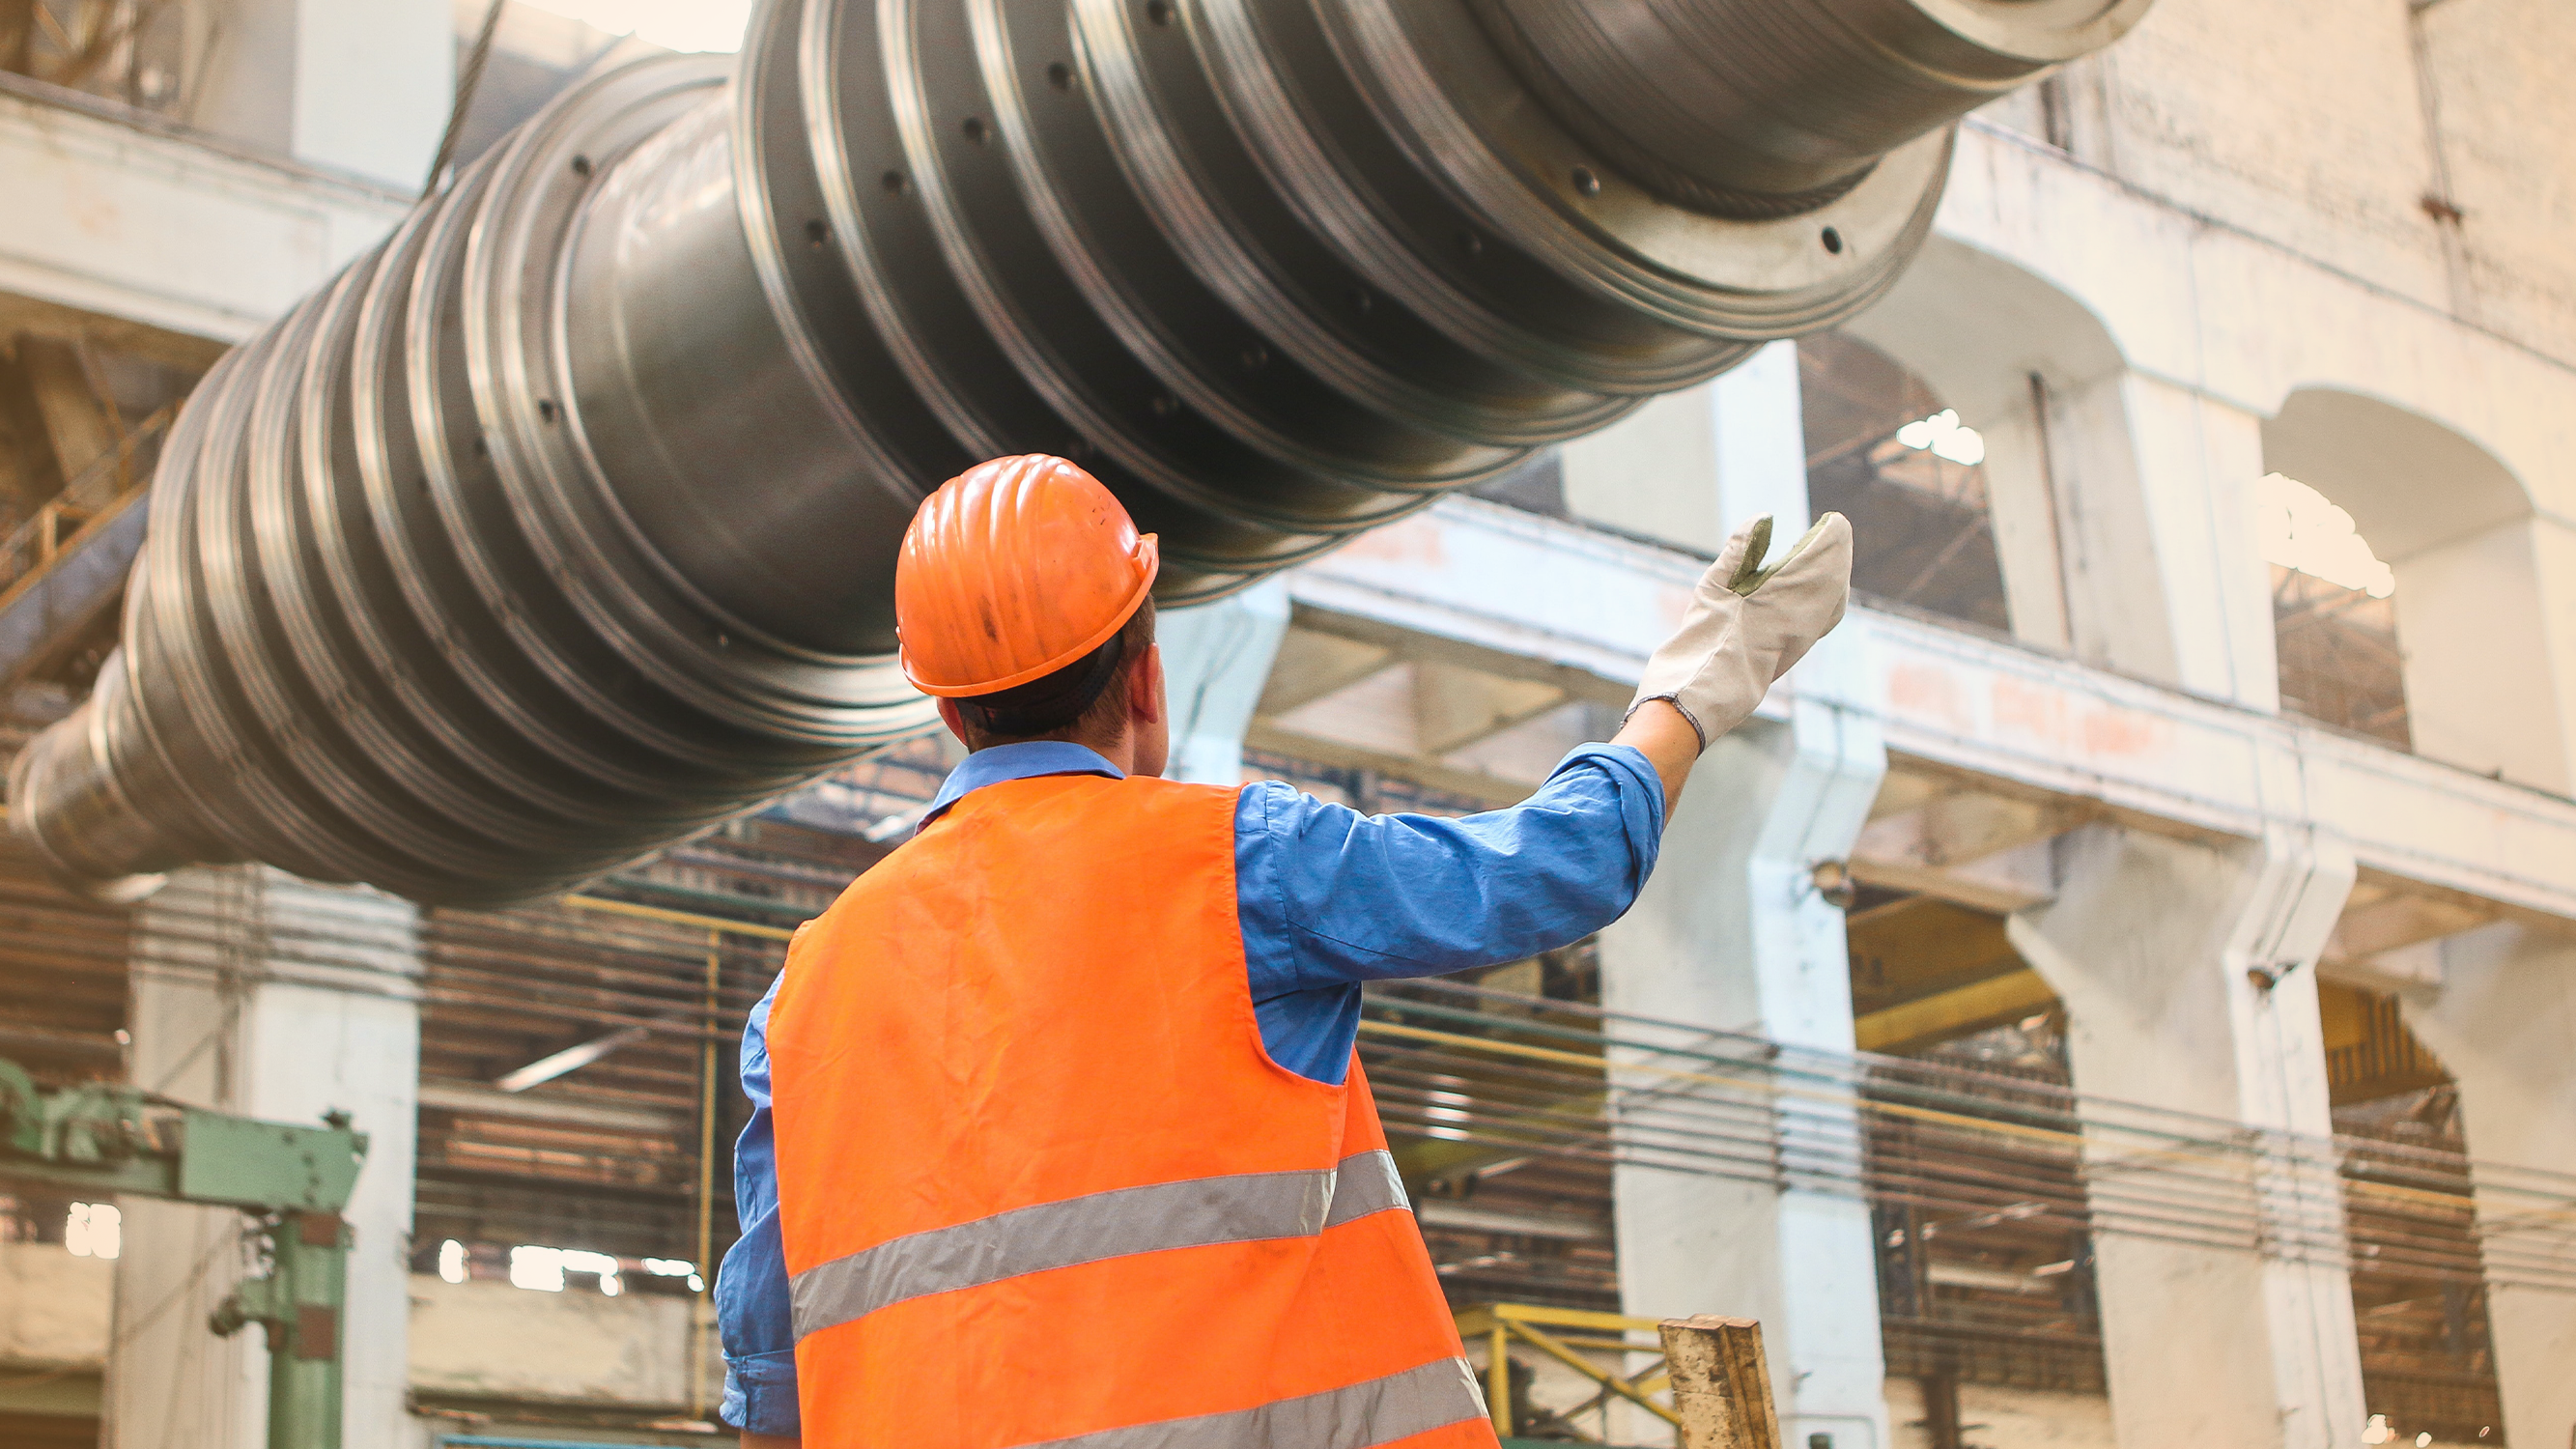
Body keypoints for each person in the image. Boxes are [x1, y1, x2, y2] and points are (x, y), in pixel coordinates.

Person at [718, 453, 1851, 1449]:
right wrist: (1699, 681)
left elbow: (772, 1382)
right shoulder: (1241, 864)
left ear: (951, 714)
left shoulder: (806, 993)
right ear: (1147, 679)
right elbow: (1553, 868)